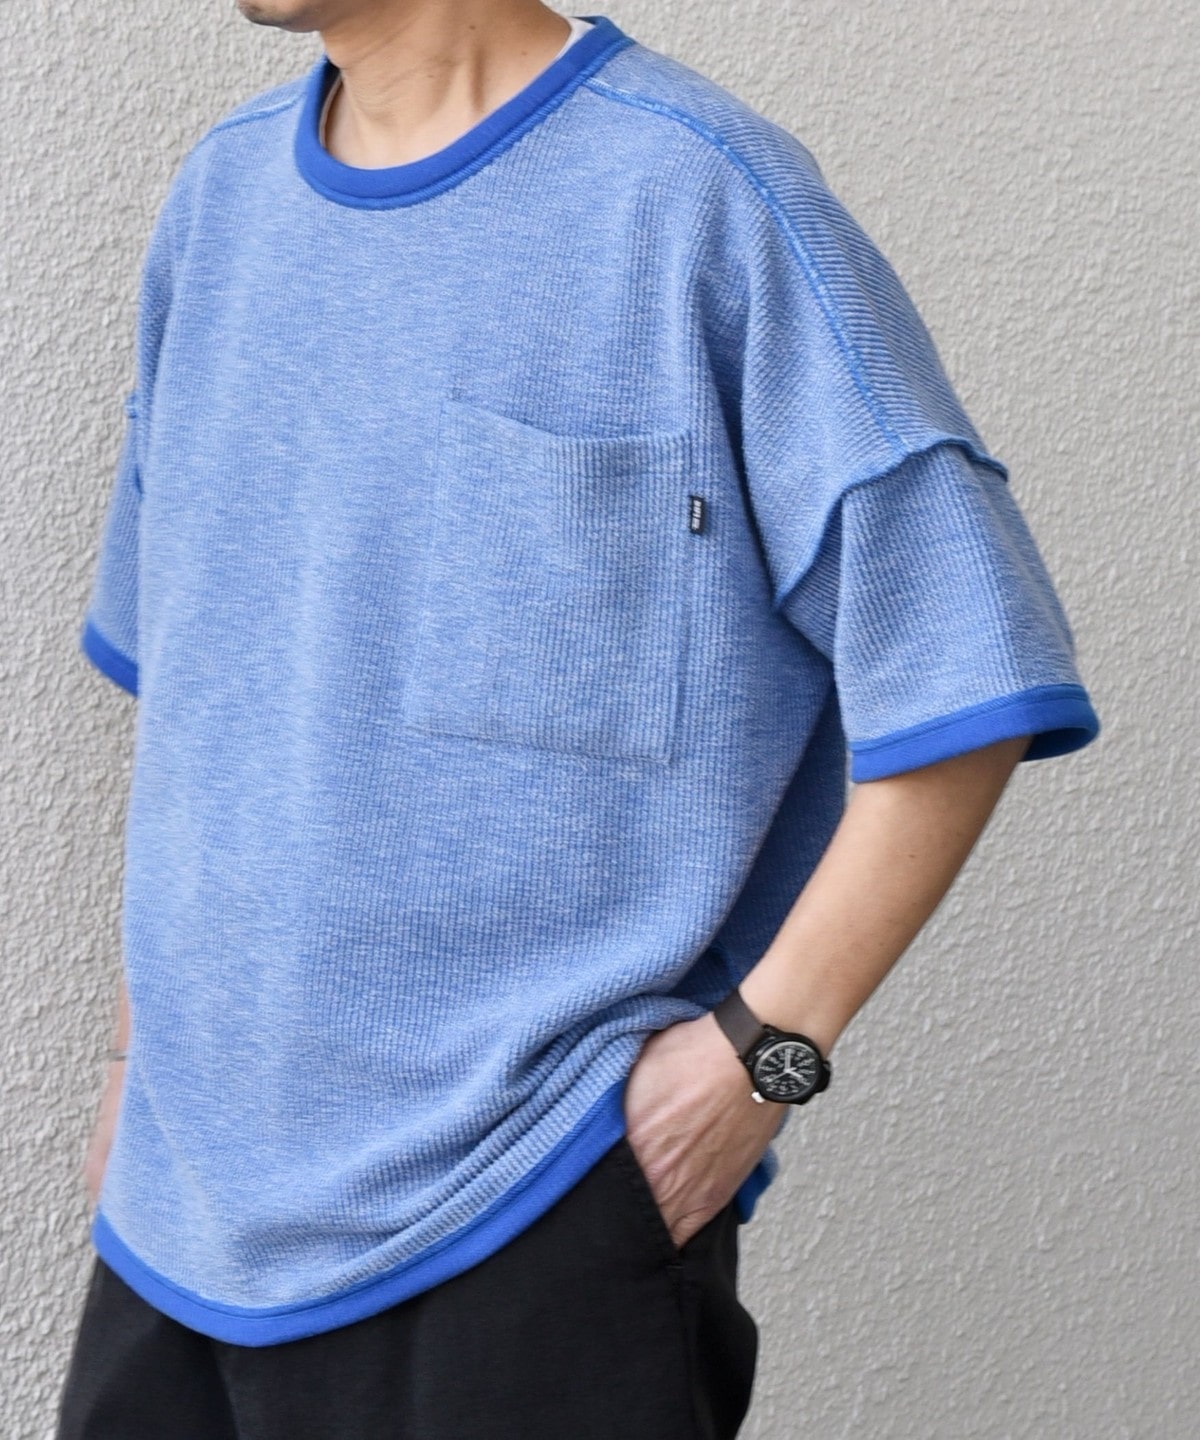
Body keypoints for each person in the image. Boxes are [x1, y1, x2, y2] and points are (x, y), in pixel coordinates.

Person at [56, 3, 1101, 1436]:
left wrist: (768, 1059)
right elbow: (198, 694)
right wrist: (132, 1066)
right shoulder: (220, 200)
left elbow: (970, 662)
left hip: (523, 1207)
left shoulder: (698, 195)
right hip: (176, 1220)